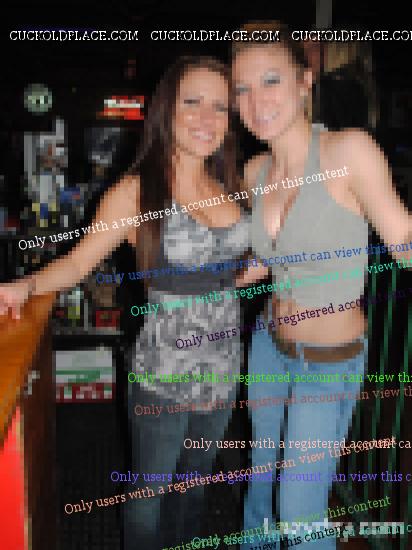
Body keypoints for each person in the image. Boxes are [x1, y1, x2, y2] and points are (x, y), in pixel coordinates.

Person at [0, 56, 250, 547]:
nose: (207, 117)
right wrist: (25, 286)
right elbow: (78, 263)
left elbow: (228, 272)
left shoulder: (229, 186)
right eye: (192, 102)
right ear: (166, 110)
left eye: (220, 106)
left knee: (195, 485)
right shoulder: (137, 191)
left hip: (222, 366)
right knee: (149, 495)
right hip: (164, 371)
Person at [231, 22, 411, 548]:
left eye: (271, 80)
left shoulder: (347, 152)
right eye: (242, 88)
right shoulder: (254, 171)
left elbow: (404, 241)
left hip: (328, 363)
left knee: (299, 512)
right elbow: (267, 260)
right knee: (261, 481)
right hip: (268, 347)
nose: (256, 101)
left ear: (304, 80)